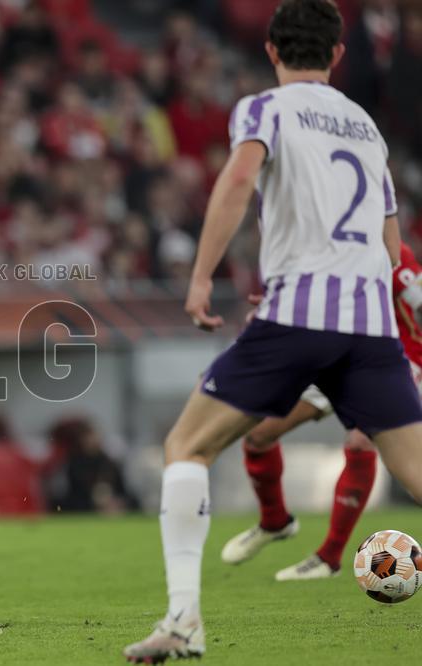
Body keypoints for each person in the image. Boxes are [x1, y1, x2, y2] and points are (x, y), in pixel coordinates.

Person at [124, 1, 422, 661]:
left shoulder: (264, 108)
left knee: (187, 447)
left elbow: (237, 180)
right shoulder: (367, 128)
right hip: (370, 326)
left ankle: (182, 622)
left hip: (298, 315)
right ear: (338, 55)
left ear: (270, 50)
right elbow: (392, 242)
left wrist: (200, 278)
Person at [222, 241, 422, 580]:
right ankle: (275, 521)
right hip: (330, 355)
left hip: (392, 361)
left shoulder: (388, 249)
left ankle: (329, 556)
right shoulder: (318, 247)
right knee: (258, 435)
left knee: (361, 442)